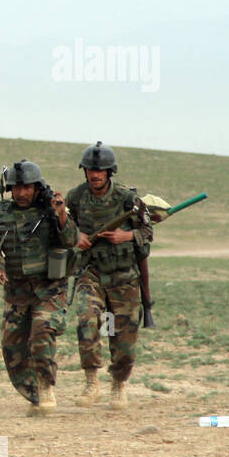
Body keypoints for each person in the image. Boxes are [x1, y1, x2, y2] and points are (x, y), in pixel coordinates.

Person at [0, 159, 78, 412]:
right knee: (12, 349)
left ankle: (46, 386)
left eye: (26, 188)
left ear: (37, 187)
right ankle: (33, 393)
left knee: (41, 334)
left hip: (49, 289)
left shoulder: (52, 210)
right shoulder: (2, 213)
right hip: (17, 291)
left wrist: (62, 215)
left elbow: (72, 240)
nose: (20, 193)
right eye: (15, 188)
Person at [65, 141, 153, 410]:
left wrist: (126, 235)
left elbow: (147, 233)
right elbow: (61, 228)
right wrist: (75, 236)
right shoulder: (76, 197)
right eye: (91, 169)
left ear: (109, 172)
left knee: (124, 338)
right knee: (87, 320)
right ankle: (92, 383)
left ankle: (119, 385)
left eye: (100, 170)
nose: (95, 174)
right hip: (90, 272)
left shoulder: (127, 199)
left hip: (124, 276)